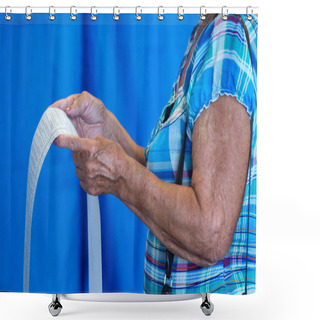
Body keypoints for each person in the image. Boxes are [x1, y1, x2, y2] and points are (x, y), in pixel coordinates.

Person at [50, 13, 257, 295]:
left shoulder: (227, 34)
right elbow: (172, 178)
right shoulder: (203, 33)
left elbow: (210, 233)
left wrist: (121, 176)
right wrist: (107, 130)